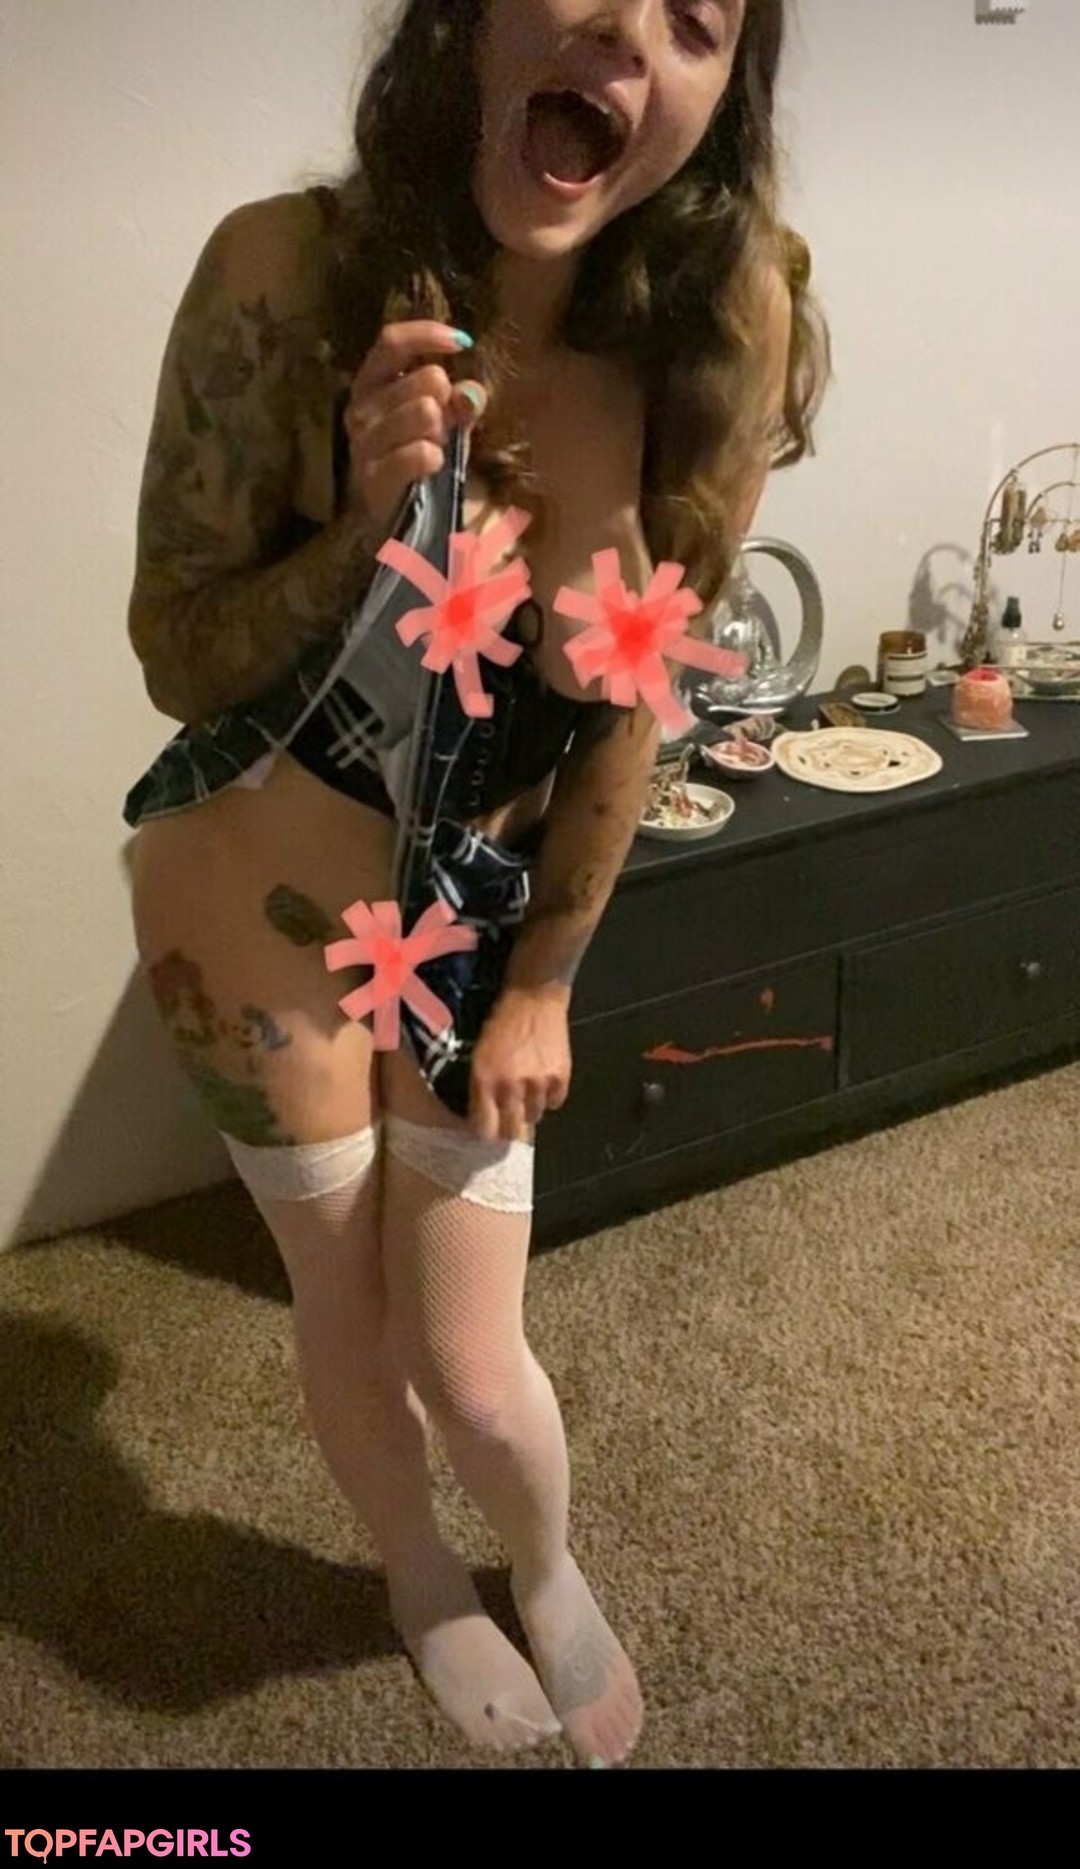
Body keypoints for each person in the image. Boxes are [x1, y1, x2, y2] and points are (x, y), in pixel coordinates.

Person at [123, 0, 828, 1767]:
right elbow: (174, 651)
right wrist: (366, 524)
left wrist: (545, 984)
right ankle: (423, 1581)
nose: (630, 30)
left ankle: (547, 1563)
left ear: (722, 93)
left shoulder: (718, 315)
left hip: (474, 912)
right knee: (348, 1311)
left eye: (699, 19)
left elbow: (641, 681)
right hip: (257, 895)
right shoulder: (284, 275)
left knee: (475, 1360)